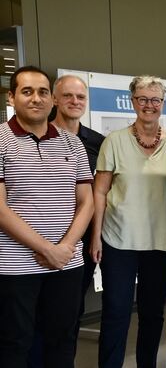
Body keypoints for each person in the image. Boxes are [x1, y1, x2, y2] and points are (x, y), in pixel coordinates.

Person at [0, 66, 94, 368]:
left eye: (42, 92)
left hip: (67, 263)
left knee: (62, 339)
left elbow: (87, 202)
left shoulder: (71, 143)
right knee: (16, 342)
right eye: (27, 91)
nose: (36, 98)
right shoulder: (1, 140)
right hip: (16, 267)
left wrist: (64, 247)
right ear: (12, 97)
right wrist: (47, 248)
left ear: (52, 100)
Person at [91, 75, 166, 368]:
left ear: (163, 104)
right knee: (116, 312)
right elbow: (99, 192)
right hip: (119, 241)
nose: (149, 105)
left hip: (160, 241)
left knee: (153, 314)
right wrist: (95, 238)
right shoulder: (114, 142)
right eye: (142, 99)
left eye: (155, 100)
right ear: (133, 102)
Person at [52, 75, 106, 334]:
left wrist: (95, 237)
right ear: (55, 99)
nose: (75, 101)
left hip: (82, 242)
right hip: (39, 239)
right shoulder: (37, 138)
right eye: (68, 96)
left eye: (81, 96)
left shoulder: (98, 143)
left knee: (72, 312)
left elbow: (101, 195)